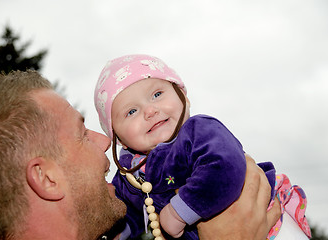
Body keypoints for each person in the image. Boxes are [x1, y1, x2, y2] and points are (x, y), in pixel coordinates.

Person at [0, 70, 280, 240]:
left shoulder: (198, 135)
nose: (104, 140)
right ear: (45, 178)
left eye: (158, 94)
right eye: (82, 134)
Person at [94, 54, 311, 239]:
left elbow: (224, 167)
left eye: (157, 94)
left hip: (272, 225)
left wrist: (180, 212)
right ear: (118, 138)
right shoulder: (130, 176)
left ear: (183, 97)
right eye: (131, 112)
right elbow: (127, 211)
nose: (149, 111)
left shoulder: (199, 132)